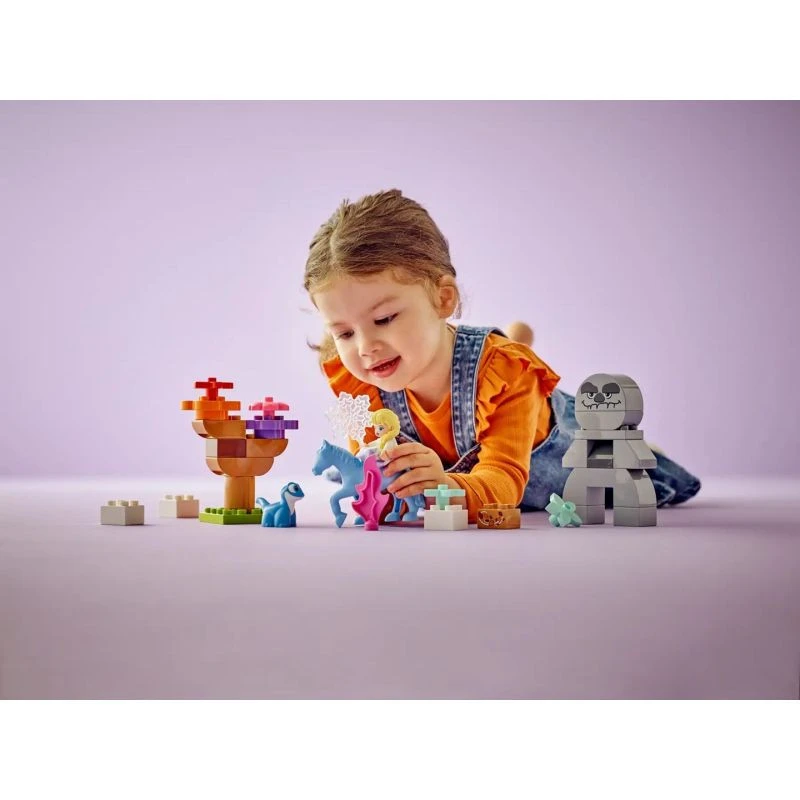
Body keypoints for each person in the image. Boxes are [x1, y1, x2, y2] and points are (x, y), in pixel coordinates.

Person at [303, 188, 700, 522]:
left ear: (443, 299)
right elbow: (377, 478)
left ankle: (636, 448)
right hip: (477, 453)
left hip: (560, 457)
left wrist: (443, 485)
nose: (364, 347)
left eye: (384, 319)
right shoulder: (359, 383)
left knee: (630, 472)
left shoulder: (506, 374)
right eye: (344, 332)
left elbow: (503, 483)